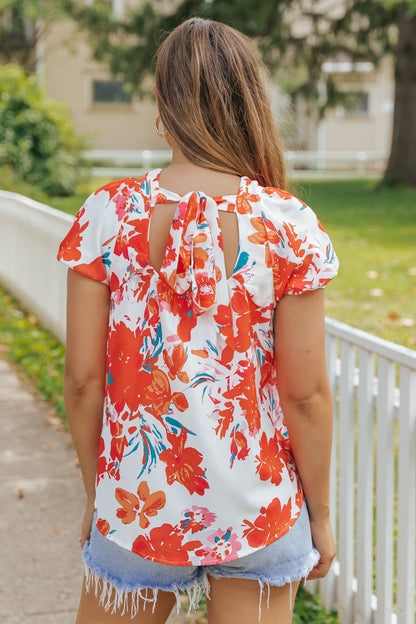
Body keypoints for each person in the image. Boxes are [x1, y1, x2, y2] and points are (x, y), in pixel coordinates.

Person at [58, 17, 338, 624]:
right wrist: (318, 514)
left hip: (138, 503)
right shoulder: (288, 225)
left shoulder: (106, 215)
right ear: (249, 102)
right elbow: (306, 394)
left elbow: (83, 380)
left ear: (163, 104)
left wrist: (96, 495)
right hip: (259, 509)